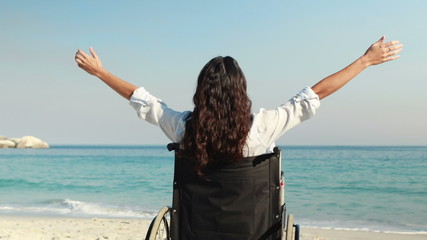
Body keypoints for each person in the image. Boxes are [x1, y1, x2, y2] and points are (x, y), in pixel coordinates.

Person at [75, 36, 403, 175]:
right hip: (249, 225)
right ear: (242, 92)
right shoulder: (262, 127)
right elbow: (316, 94)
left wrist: (101, 72)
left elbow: (141, 99)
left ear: (202, 92)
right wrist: (365, 61)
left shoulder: (182, 127)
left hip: (196, 226)